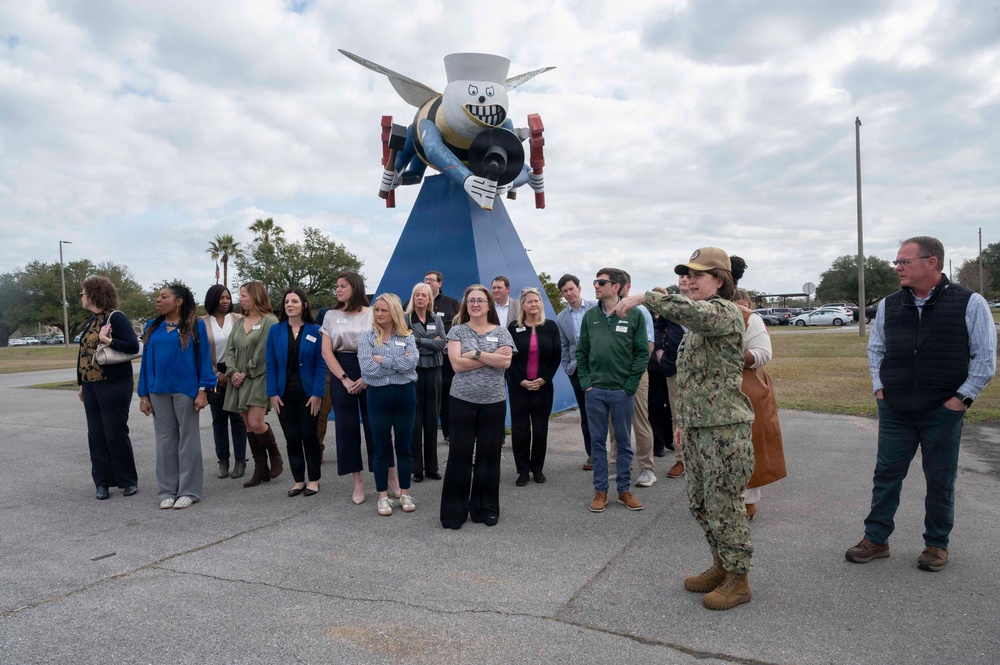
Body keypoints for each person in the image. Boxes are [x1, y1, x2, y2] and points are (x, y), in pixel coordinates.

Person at [616, 247, 755, 610]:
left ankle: (738, 579)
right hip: (698, 428)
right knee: (701, 502)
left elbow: (686, 310)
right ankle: (721, 566)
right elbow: (693, 381)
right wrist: (683, 425)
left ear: (720, 281)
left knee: (724, 503)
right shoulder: (696, 325)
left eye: (698, 275)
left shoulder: (723, 312)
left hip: (725, 429)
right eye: (686, 274)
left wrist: (645, 296)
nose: (690, 280)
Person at [846, 236, 996, 572]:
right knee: (886, 475)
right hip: (896, 408)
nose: (897, 267)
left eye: (904, 261)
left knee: (940, 479)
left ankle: (936, 544)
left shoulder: (970, 302)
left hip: (942, 410)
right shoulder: (889, 305)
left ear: (932, 262)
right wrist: (880, 388)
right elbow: (877, 350)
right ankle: (876, 538)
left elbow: (985, 358)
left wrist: (960, 400)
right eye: (897, 262)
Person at [440, 284, 514, 529]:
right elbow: (457, 366)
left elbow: (505, 362)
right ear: (466, 305)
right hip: (461, 401)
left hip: (493, 403)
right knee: (459, 456)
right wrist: (489, 358)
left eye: (480, 300)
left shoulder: (502, 332)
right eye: (471, 300)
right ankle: (454, 512)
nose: (475, 304)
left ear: (488, 305)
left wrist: (475, 352)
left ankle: (486, 509)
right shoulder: (457, 331)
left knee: (489, 456)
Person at [137, 284, 216, 510]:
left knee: (188, 440)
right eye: (158, 297)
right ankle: (167, 491)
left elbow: (203, 360)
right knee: (165, 442)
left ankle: (189, 491)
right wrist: (143, 395)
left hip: (186, 391)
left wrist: (203, 391)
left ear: (179, 301)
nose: (158, 300)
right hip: (157, 391)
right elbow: (145, 364)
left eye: (164, 297)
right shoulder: (152, 326)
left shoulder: (194, 325)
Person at [576, 268, 647, 514]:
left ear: (616, 287)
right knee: (597, 442)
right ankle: (600, 490)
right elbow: (581, 352)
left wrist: (629, 386)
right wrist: (586, 383)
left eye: (601, 282)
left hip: (622, 392)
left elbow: (641, 353)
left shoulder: (634, 315)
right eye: (596, 281)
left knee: (624, 442)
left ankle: (624, 490)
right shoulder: (590, 317)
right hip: (595, 391)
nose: (596, 285)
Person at [730, 259, 787, 521]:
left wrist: (726, 357)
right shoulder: (699, 312)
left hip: (745, 387)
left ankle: (748, 500)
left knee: (750, 444)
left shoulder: (747, 317)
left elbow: (763, 353)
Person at [77, 275, 141, 500]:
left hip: (113, 384)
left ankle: (127, 481)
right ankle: (101, 482)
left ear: (94, 295)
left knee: (114, 432)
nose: (81, 298)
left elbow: (133, 347)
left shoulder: (116, 318)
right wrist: (82, 383)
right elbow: (84, 353)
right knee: (95, 435)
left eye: (83, 293)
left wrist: (108, 340)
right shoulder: (92, 320)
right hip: (92, 385)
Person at [359, 293, 419, 516]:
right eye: (377, 310)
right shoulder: (367, 337)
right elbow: (367, 369)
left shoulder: (408, 336)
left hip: (405, 394)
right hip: (377, 395)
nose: (379, 314)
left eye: (384, 310)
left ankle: (405, 492)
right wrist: (398, 363)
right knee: (381, 447)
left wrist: (382, 359)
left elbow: (412, 363)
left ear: (394, 312)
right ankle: (382, 496)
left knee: (404, 446)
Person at [321, 271, 377, 504]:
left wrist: (367, 376)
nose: (338, 290)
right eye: (337, 286)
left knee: (376, 425)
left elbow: (381, 344)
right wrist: (344, 378)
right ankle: (357, 482)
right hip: (340, 369)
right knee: (347, 428)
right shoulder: (331, 315)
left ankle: (389, 476)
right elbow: (326, 351)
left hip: (371, 368)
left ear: (355, 287)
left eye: (343, 286)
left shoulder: (373, 313)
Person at [266, 288, 326, 498]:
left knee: (309, 437)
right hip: (284, 395)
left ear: (304, 305)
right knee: (292, 438)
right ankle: (299, 480)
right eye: (286, 302)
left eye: (294, 301)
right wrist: (272, 393)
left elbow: (321, 364)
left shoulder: (315, 330)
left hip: (309, 394)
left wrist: (318, 393)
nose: (289, 305)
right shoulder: (275, 331)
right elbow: (271, 363)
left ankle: (314, 480)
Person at [224, 281, 281, 488]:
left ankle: (275, 455)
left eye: (244, 295)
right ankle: (260, 468)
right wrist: (232, 372)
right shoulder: (239, 322)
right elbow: (230, 349)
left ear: (256, 296)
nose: (240, 299)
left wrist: (245, 371)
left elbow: (264, 352)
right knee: (247, 424)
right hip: (238, 379)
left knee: (256, 423)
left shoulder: (270, 321)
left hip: (259, 376)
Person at [506, 287, 561, 486]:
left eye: (536, 301)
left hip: (543, 387)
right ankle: (522, 471)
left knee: (540, 429)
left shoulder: (551, 326)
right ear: (523, 305)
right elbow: (508, 357)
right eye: (529, 301)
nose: (533, 304)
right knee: (520, 430)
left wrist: (544, 379)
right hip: (519, 386)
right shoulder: (513, 327)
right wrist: (520, 380)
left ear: (541, 304)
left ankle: (537, 469)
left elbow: (556, 356)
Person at [201, 285, 247, 480]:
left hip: (236, 373)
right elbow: (201, 353)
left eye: (228, 297)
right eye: (221, 298)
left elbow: (245, 347)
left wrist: (233, 373)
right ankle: (223, 461)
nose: (226, 301)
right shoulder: (201, 323)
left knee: (238, 420)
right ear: (212, 300)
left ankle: (240, 461)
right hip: (214, 375)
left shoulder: (238, 319)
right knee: (218, 420)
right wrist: (216, 375)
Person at [405, 282, 446, 482]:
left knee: (431, 419)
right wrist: (430, 342)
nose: (420, 298)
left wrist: (420, 341)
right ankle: (417, 469)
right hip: (414, 372)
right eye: (417, 295)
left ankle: (432, 467)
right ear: (413, 298)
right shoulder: (405, 319)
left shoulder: (436, 319)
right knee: (415, 421)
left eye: (424, 295)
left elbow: (442, 343)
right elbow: (406, 344)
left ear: (430, 298)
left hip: (435, 372)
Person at [556, 274, 597, 470]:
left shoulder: (596, 308)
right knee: (586, 413)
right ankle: (592, 454)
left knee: (609, 411)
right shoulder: (561, 318)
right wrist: (567, 367)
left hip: (600, 366)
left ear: (579, 288)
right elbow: (564, 345)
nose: (569, 293)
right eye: (565, 291)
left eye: (571, 289)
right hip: (577, 369)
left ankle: (614, 454)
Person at [425, 270, 462, 444]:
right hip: (424, 358)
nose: (427, 282)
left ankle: (449, 433)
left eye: (431, 280)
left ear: (439, 283)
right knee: (428, 397)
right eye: (425, 280)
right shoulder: (415, 302)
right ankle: (426, 434)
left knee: (447, 396)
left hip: (447, 358)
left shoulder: (452, 304)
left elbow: (461, 326)